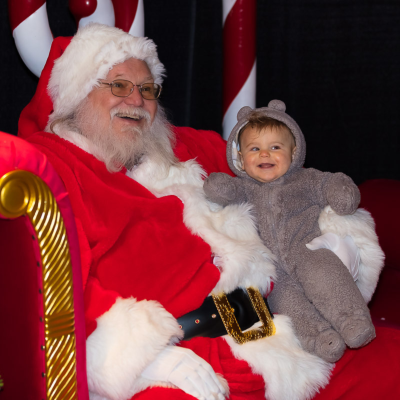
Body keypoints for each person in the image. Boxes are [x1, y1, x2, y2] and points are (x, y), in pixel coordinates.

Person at [17, 23, 400, 400]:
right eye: (118, 85)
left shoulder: (188, 146)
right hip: (173, 362)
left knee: (389, 363)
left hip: (267, 327)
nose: (136, 101)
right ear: (78, 95)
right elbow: (47, 291)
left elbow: (285, 186)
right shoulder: (53, 166)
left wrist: (332, 247)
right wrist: (153, 363)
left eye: (148, 89)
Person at [203, 102, 378, 363]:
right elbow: (223, 191)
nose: (265, 155)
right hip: (270, 266)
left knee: (327, 276)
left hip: (307, 247)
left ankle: (353, 320)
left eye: (275, 147)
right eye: (255, 149)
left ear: (293, 152)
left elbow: (329, 184)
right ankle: (320, 338)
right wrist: (220, 187)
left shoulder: (304, 180)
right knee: (285, 304)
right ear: (240, 158)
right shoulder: (245, 188)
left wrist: (340, 190)